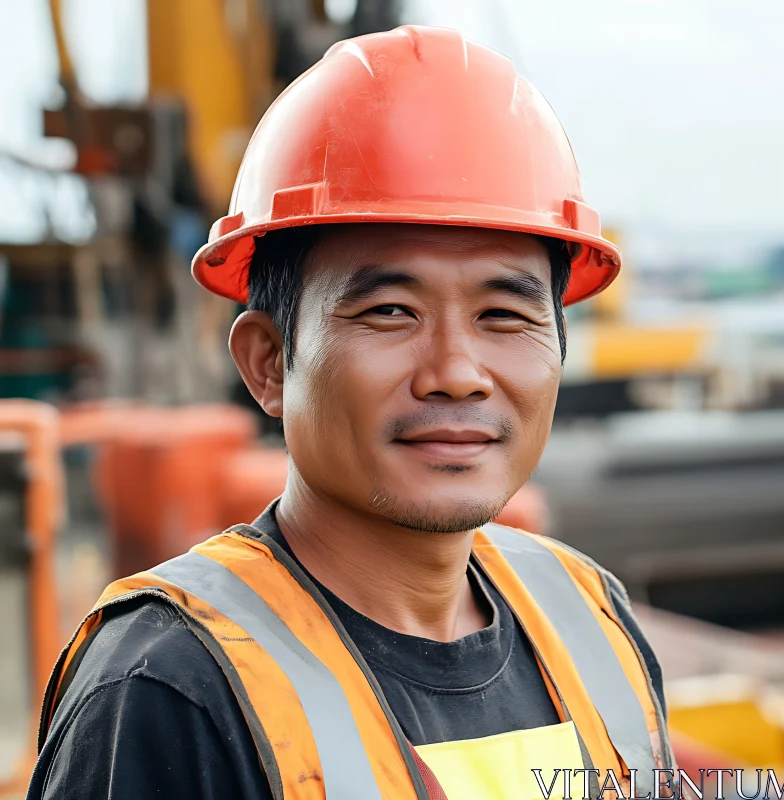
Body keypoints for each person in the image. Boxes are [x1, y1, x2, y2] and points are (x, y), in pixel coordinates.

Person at [29, 25, 674, 800]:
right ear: (268, 363)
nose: (458, 374)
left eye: (505, 315)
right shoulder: (171, 683)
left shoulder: (591, 621)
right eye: (391, 312)